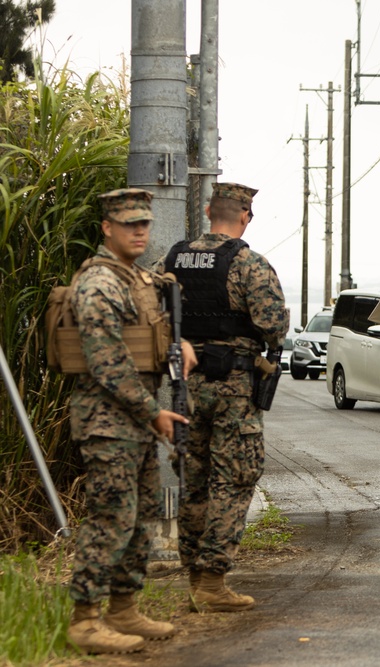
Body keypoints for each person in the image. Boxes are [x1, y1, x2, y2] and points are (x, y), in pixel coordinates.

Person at [67, 188, 195, 654]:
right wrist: (153, 411)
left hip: (135, 420)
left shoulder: (138, 278)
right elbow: (107, 365)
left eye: (144, 223)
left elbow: (146, 339)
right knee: (111, 518)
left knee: (140, 517)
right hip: (107, 421)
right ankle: (85, 619)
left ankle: (123, 608)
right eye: (129, 224)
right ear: (107, 228)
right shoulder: (100, 283)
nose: (140, 230)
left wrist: (177, 348)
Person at [157, 182, 289, 612]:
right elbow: (272, 326)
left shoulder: (173, 259)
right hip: (234, 387)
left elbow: (153, 311)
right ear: (245, 216)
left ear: (209, 210)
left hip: (188, 386)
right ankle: (213, 582)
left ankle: (195, 575)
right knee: (234, 479)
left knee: (193, 480)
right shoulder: (250, 264)